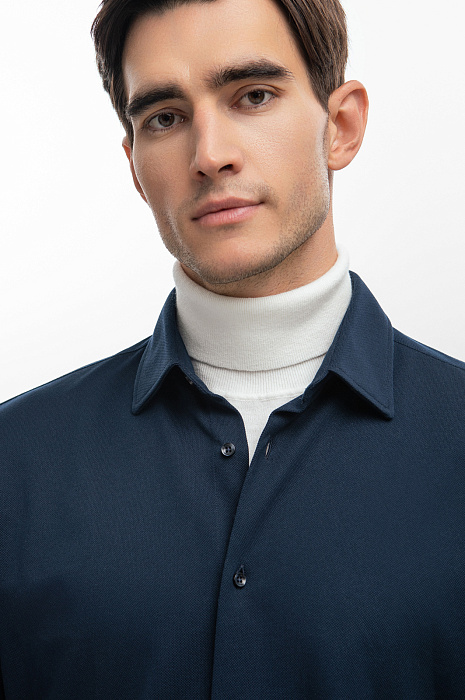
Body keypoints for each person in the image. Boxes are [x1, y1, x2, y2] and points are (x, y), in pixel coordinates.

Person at [0, 0, 464, 697]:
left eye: (253, 96)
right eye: (164, 117)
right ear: (135, 168)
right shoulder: (14, 464)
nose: (209, 154)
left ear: (340, 127)